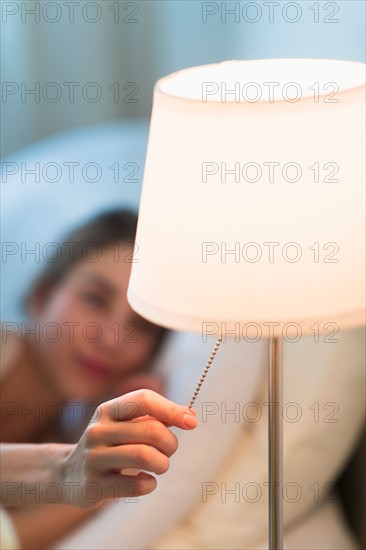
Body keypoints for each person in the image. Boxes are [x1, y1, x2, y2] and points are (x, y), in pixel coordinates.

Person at [0, 209, 197, 549]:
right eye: (94, 299)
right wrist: (66, 471)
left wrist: (113, 475)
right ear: (41, 296)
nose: (112, 340)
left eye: (141, 326)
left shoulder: (58, 431)